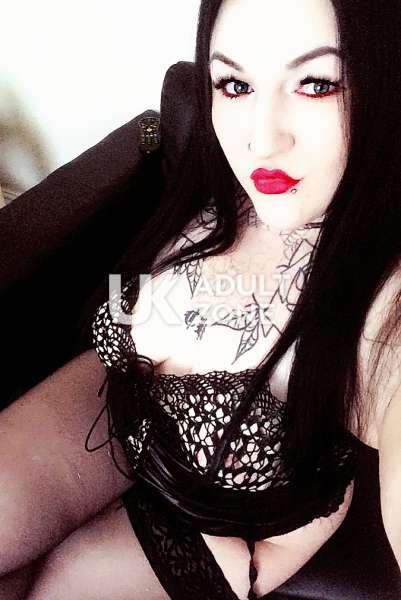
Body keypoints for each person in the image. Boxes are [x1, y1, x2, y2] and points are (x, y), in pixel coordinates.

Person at [0, 0, 401, 598]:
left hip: (210, 527)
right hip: (106, 400)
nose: (260, 140)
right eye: (235, 84)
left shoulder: (386, 307)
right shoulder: (225, 183)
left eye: (317, 84)